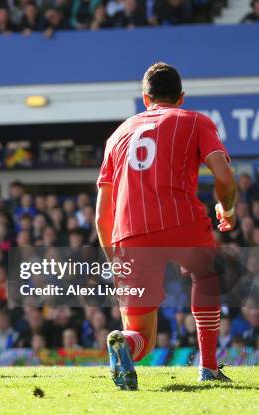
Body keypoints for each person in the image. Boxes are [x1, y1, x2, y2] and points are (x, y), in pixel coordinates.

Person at [95, 62, 236, 389]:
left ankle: (125, 344)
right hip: (181, 220)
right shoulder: (196, 121)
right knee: (206, 274)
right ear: (181, 97)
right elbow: (225, 177)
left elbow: (103, 211)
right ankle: (209, 368)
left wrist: (113, 259)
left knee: (143, 335)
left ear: (145, 99)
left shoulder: (117, 135)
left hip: (129, 232)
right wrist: (226, 209)